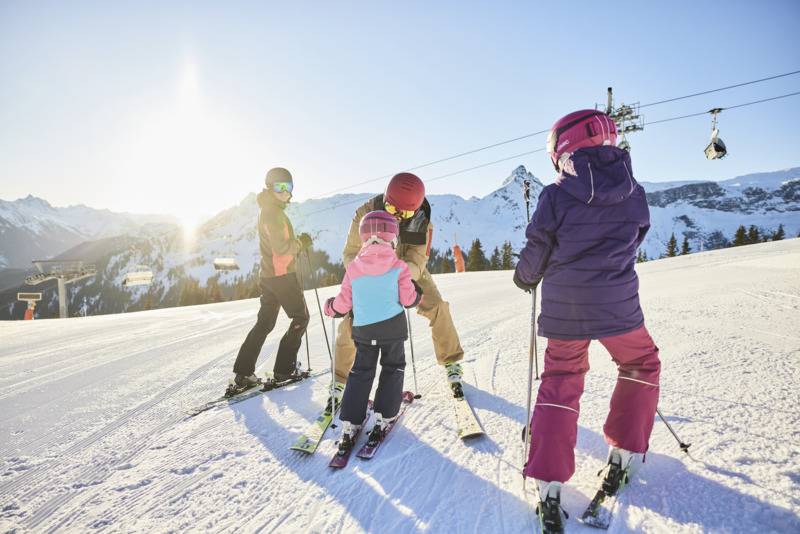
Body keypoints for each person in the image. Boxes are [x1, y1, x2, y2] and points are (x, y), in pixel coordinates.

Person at [513, 110, 661, 532]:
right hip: (619, 307)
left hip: (567, 311)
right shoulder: (635, 193)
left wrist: (525, 278)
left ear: (561, 148)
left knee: (561, 378)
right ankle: (625, 452)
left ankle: (549, 482)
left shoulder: (556, 195)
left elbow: (538, 247)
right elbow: (637, 239)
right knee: (641, 363)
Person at [331, 172, 465, 406]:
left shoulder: (423, 220)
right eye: (393, 211)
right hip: (369, 269)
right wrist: (373, 275)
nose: (399, 218)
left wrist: (395, 276)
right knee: (353, 318)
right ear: (385, 199)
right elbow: (350, 254)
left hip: (406, 270)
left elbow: (418, 260)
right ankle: (340, 379)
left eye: (406, 214)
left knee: (436, 307)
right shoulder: (365, 213)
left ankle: (451, 361)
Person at [324, 211, 422, 452]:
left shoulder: (354, 268)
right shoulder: (399, 267)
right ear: (393, 237)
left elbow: (343, 304)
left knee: (361, 371)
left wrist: (330, 308)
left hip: (364, 330)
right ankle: (384, 416)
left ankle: (350, 423)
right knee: (393, 366)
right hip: (393, 329)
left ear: (363, 237)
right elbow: (409, 300)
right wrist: (417, 293)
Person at [231, 167, 313, 391]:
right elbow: (283, 248)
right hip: (282, 276)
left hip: (268, 276)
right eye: (281, 187)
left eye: (289, 187)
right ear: (270, 187)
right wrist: (301, 244)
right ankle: (284, 371)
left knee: (265, 322)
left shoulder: (267, 209)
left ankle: (243, 372)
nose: (287, 192)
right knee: (301, 318)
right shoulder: (274, 213)